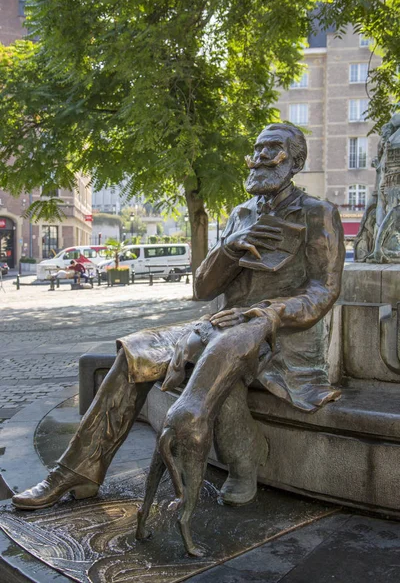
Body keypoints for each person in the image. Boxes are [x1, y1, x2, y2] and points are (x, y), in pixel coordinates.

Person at [12, 123, 344, 511]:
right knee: (133, 352)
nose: (258, 158)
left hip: (281, 335)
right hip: (221, 323)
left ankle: (243, 460)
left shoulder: (318, 214)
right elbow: (202, 289)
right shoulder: (240, 214)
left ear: (297, 161)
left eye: (272, 149)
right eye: (256, 149)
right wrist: (228, 251)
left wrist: (271, 313)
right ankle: (76, 470)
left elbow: (325, 290)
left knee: (218, 360)